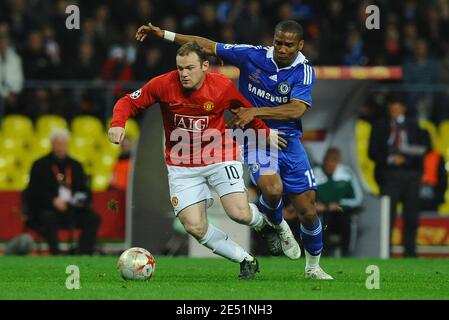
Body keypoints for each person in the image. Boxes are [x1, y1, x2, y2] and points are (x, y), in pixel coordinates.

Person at [135, 19, 332, 279]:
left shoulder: (304, 71)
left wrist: (254, 110)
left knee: (307, 209)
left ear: (300, 45)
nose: (282, 49)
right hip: (255, 135)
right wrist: (165, 34)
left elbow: (296, 109)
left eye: (289, 45)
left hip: (288, 140)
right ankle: (279, 225)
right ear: (272, 41)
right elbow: (207, 45)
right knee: (273, 190)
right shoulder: (252, 55)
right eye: (278, 43)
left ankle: (313, 268)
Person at [108, 41, 291, 279]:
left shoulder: (221, 86)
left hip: (219, 155)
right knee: (194, 226)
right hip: (181, 165)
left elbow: (244, 110)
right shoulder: (163, 84)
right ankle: (246, 260)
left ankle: (263, 226)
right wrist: (117, 124)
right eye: (180, 68)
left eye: (190, 68)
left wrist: (266, 134)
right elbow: (128, 101)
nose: (183, 74)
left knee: (239, 213)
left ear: (205, 66)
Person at [369, 94, 430, 257]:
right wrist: (391, 159)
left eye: (397, 107)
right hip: (389, 175)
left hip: (411, 175)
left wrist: (406, 158)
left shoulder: (414, 125)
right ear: (388, 109)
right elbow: (372, 152)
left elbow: (424, 148)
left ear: (403, 108)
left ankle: (410, 253)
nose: (394, 110)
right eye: (392, 107)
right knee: (388, 217)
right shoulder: (380, 125)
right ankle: (385, 252)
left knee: (411, 216)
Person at [24, 129, 101, 255]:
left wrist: (81, 201)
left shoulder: (76, 165)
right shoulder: (40, 165)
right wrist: (52, 201)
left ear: (68, 144)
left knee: (93, 218)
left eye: (63, 143)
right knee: (48, 217)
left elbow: (85, 190)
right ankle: (56, 254)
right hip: (47, 210)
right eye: (57, 143)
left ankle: (83, 253)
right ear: (52, 144)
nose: (61, 146)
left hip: (71, 209)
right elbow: (33, 192)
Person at [313, 147, 363, 257]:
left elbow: (358, 199)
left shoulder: (346, 174)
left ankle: (346, 254)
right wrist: (314, 205)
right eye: (329, 161)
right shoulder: (314, 173)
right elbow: (305, 196)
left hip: (341, 210)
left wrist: (341, 203)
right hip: (322, 213)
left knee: (346, 219)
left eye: (334, 161)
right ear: (324, 160)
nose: (331, 164)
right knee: (321, 222)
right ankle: (321, 254)